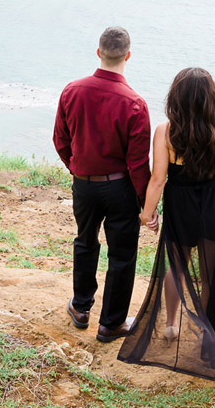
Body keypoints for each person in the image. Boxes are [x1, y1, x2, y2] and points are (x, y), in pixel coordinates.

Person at [117, 67, 215, 386]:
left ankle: (172, 323)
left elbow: (158, 178)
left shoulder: (166, 131)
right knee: (212, 270)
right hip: (214, 198)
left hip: (180, 201)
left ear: (176, 97)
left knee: (177, 264)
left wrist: (148, 214)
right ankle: (206, 334)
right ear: (212, 97)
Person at [53, 26, 152, 342]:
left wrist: (77, 167)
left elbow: (60, 139)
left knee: (85, 241)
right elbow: (138, 163)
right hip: (120, 187)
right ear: (128, 56)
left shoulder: (72, 91)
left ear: (99, 52)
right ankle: (111, 324)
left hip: (84, 184)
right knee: (122, 255)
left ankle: (81, 308)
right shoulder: (135, 103)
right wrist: (145, 203)